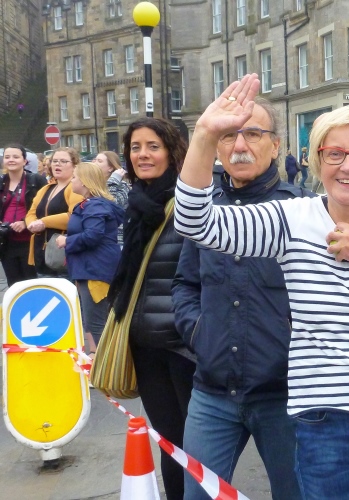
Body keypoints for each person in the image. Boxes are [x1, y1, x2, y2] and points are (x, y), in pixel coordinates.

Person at [174, 74, 349, 499]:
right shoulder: (292, 218)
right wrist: (204, 136)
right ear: (316, 162)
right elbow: (194, 222)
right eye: (334, 153)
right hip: (325, 422)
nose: (347, 166)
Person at [172, 98, 309, 500]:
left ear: (275, 145)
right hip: (212, 391)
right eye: (229, 135)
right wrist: (199, 333)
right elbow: (184, 283)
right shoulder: (204, 211)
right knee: (198, 495)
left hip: (284, 395)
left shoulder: (303, 209)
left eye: (253, 133)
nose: (240, 145)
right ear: (217, 148)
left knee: (296, 494)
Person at [106, 117, 195, 500]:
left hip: (184, 347)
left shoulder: (188, 201)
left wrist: (194, 331)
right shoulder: (136, 204)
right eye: (135, 147)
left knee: (196, 449)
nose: (143, 154)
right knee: (169, 444)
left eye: (153, 146)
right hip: (145, 345)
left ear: (172, 152)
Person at [56, 162, 124, 354]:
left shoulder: (95, 206)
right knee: (92, 319)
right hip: (90, 268)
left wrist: (67, 241)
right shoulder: (94, 204)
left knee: (96, 321)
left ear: (85, 182)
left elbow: (93, 235)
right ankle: (97, 359)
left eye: (75, 177)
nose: (72, 181)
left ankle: (102, 363)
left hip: (95, 269)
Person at [25, 147, 85, 278]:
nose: (58, 164)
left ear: (75, 166)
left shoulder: (75, 188)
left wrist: (44, 222)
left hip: (63, 255)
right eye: (55, 161)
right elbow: (31, 213)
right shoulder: (46, 188)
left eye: (63, 161)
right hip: (41, 253)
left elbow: (74, 216)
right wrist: (32, 224)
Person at [1, 144, 47, 286]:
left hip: (30, 241)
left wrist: (25, 222)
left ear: (25, 161)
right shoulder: (2, 181)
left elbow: (46, 208)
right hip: (7, 242)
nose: (11, 160)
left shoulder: (36, 180)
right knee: (14, 285)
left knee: (31, 283)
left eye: (16, 157)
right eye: (7, 157)